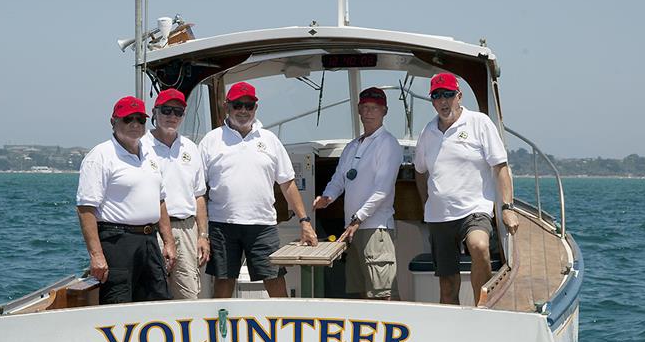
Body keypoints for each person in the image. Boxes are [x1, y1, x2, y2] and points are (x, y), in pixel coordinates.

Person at [199, 81, 317, 298]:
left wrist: (305, 222)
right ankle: (220, 330)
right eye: (237, 105)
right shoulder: (210, 141)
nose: (243, 110)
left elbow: (288, 183)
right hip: (222, 226)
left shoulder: (270, 140)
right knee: (223, 283)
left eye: (249, 105)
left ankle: (284, 327)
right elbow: (198, 191)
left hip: (263, 225)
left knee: (275, 280)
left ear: (255, 108)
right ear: (227, 106)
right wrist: (202, 233)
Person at [414, 73, 519, 305]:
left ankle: (481, 307)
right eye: (437, 96)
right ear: (432, 101)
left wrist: (507, 208)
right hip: (439, 216)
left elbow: (500, 166)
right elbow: (419, 171)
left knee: (479, 246)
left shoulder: (479, 123)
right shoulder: (427, 132)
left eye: (448, 95)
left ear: (459, 96)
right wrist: (425, 204)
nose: (443, 101)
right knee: (447, 286)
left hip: (474, 209)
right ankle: (452, 331)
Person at [76, 96, 176, 304]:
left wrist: (168, 242)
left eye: (140, 119)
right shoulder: (101, 156)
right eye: (128, 119)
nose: (135, 124)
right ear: (113, 122)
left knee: (158, 303)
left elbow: (160, 201)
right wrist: (96, 255)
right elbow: (86, 208)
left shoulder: (149, 154)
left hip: (149, 241)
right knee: (118, 305)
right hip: (117, 242)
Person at [313, 87, 402, 300]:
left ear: (385, 111)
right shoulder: (352, 145)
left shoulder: (388, 143)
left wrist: (357, 219)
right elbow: (339, 179)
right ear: (359, 110)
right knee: (361, 293)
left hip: (375, 228)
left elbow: (382, 190)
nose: (369, 112)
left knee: (383, 293)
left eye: (375, 108)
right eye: (365, 108)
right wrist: (327, 197)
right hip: (352, 228)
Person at [142, 88, 209, 299]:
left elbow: (199, 196)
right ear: (155, 112)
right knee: (153, 290)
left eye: (178, 112)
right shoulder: (141, 146)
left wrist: (203, 235)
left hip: (187, 227)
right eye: (167, 110)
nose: (172, 116)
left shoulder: (191, 148)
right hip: (152, 229)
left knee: (189, 294)